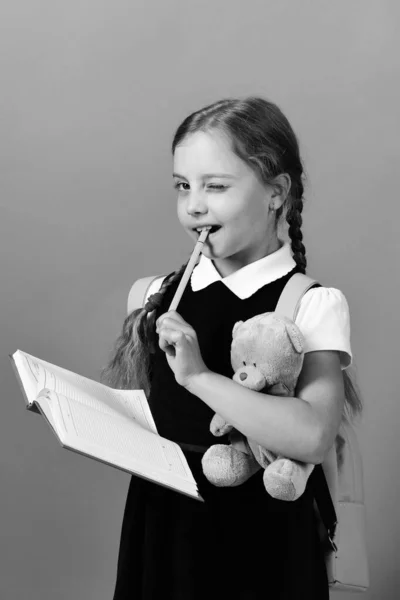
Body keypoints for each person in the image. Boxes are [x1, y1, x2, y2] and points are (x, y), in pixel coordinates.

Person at [102, 96, 363, 600]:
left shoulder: (309, 304)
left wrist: (199, 377)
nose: (194, 205)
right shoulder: (152, 296)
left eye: (216, 186)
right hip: (160, 529)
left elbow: (311, 437)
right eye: (183, 186)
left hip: (262, 541)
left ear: (275, 193)